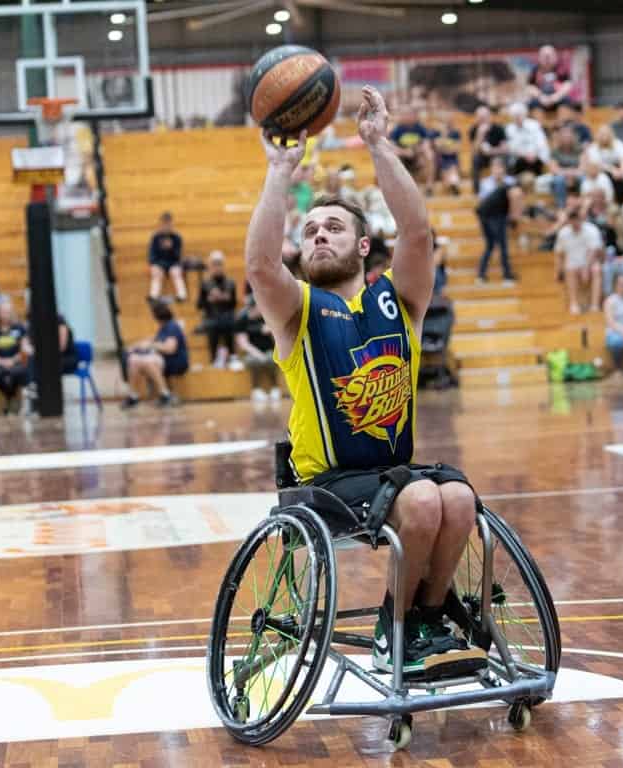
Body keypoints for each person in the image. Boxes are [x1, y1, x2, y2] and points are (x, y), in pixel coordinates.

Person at [245, 85, 478, 674]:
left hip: (390, 475)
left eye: (334, 227)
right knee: (424, 499)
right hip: (324, 483)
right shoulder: (296, 311)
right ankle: (391, 629)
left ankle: (422, 618)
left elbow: (419, 234)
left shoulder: (399, 302)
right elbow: (258, 265)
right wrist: (279, 170)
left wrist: (377, 144)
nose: (319, 234)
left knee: (459, 496)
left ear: (364, 245)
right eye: (310, 231)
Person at [122, 300, 188, 409]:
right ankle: (133, 396)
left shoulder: (172, 327)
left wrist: (151, 345)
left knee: (146, 361)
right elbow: (152, 339)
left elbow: (170, 349)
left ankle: (165, 394)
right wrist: (135, 346)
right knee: (133, 360)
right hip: (161, 359)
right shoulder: (163, 328)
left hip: (175, 360)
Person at [476, 158, 521, 284]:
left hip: (501, 215)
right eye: (495, 167)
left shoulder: (510, 181)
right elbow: (483, 202)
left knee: (499, 246)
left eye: (500, 167)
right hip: (488, 216)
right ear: (491, 169)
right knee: (494, 245)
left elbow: (516, 195)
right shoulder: (486, 183)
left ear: (504, 169)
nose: (498, 170)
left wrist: (513, 215)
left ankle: (489, 274)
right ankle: (490, 274)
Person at [554, 209, 603, 314]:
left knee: (596, 269)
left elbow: (594, 251)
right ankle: (574, 304)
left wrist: (586, 268)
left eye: (577, 219)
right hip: (572, 264)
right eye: (572, 219)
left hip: (590, 262)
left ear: (581, 219)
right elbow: (559, 253)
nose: (575, 222)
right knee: (569, 269)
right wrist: (558, 271)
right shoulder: (563, 233)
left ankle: (595, 305)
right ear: (569, 220)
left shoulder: (591, 230)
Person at [0, 301, 31, 413]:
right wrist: (1, 361)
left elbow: (23, 349)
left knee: (19, 372)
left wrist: (13, 360)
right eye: (4, 312)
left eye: (9, 311)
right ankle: (9, 398)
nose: (7, 314)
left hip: (16, 361)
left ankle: (12, 400)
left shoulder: (19, 328)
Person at [234, 295, 280, 403]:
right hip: (252, 352)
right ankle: (256, 390)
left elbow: (277, 338)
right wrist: (258, 354)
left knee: (272, 359)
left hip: (269, 349)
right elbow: (243, 343)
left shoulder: (268, 317)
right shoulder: (242, 320)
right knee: (254, 361)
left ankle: (275, 388)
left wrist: (272, 331)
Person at [196, 250, 237, 368]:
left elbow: (233, 303)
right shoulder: (205, 283)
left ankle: (233, 356)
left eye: (219, 264)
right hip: (211, 317)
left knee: (229, 322)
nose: (217, 267)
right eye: (214, 264)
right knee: (212, 325)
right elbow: (199, 305)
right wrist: (209, 300)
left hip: (227, 316)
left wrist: (223, 299)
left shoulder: (230, 282)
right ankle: (214, 358)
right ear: (210, 266)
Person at [389, 107, 435, 196]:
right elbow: (391, 146)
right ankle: (398, 186)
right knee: (393, 155)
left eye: (409, 114)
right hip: (403, 156)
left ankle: (429, 185)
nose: (407, 117)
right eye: (405, 115)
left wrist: (416, 151)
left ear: (414, 116)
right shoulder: (397, 129)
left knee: (429, 154)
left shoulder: (420, 128)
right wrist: (404, 152)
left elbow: (426, 143)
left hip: (417, 155)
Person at [584, 124, 623, 205]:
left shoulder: (619, 144)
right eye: (602, 135)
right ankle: (608, 203)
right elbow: (596, 166)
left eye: (606, 134)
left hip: (618, 171)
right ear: (598, 136)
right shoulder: (593, 148)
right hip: (601, 173)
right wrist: (613, 170)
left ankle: (622, 203)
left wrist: (622, 172)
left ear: (611, 135)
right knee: (604, 179)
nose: (604, 137)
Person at [468, 105, 508, 194]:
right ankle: (477, 191)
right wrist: (480, 135)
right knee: (475, 160)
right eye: (480, 118)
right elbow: (474, 151)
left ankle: (504, 188)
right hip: (482, 157)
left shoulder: (498, 129)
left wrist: (492, 151)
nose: (482, 120)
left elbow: (505, 149)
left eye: (484, 117)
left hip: (496, 155)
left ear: (489, 116)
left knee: (501, 160)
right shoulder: (474, 130)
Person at [148, 212, 187, 302]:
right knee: (156, 273)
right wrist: (154, 264)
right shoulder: (156, 237)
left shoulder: (177, 237)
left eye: (168, 224)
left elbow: (178, 256)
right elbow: (151, 254)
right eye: (164, 224)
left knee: (176, 273)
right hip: (159, 263)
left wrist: (171, 248)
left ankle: (182, 295)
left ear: (171, 224)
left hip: (173, 263)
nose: (166, 226)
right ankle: (153, 296)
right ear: (161, 224)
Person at [526, 45, 575, 114]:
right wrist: (541, 97)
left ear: (555, 56)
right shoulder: (535, 70)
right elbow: (530, 87)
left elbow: (568, 84)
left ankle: (565, 123)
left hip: (558, 98)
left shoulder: (562, 69)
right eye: (544, 56)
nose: (547, 59)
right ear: (539, 57)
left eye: (549, 56)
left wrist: (555, 97)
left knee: (567, 102)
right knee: (532, 104)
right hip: (541, 99)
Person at [505, 102, 550, 176]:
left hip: (535, 156)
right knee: (517, 162)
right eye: (515, 115)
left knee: (537, 161)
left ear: (524, 114)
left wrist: (534, 154)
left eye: (519, 115)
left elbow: (541, 142)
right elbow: (511, 147)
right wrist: (525, 155)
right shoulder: (509, 129)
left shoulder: (534, 125)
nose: (517, 117)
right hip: (519, 158)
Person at [548, 124, 583, 209]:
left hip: (576, 175)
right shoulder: (555, 152)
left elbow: (583, 168)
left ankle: (582, 205)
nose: (567, 138)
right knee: (559, 180)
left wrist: (572, 174)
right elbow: (553, 169)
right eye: (564, 136)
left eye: (569, 135)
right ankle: (561, 207)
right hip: (562, 175)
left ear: (573, 137)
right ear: (560, 137)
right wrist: (568, 173)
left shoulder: (579, 150)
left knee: (584, 179)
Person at [430, 119, 462, 195]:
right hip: (440, 159)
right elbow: (437, 148)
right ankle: (453, 185)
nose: (446, 125)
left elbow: (456, 149)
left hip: (452, 159)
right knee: (446, 171)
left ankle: (454, 185)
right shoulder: (435, 133)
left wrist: (444, 148)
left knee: (452, 167)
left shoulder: (456, 133)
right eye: (443, 123)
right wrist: (443, 135)